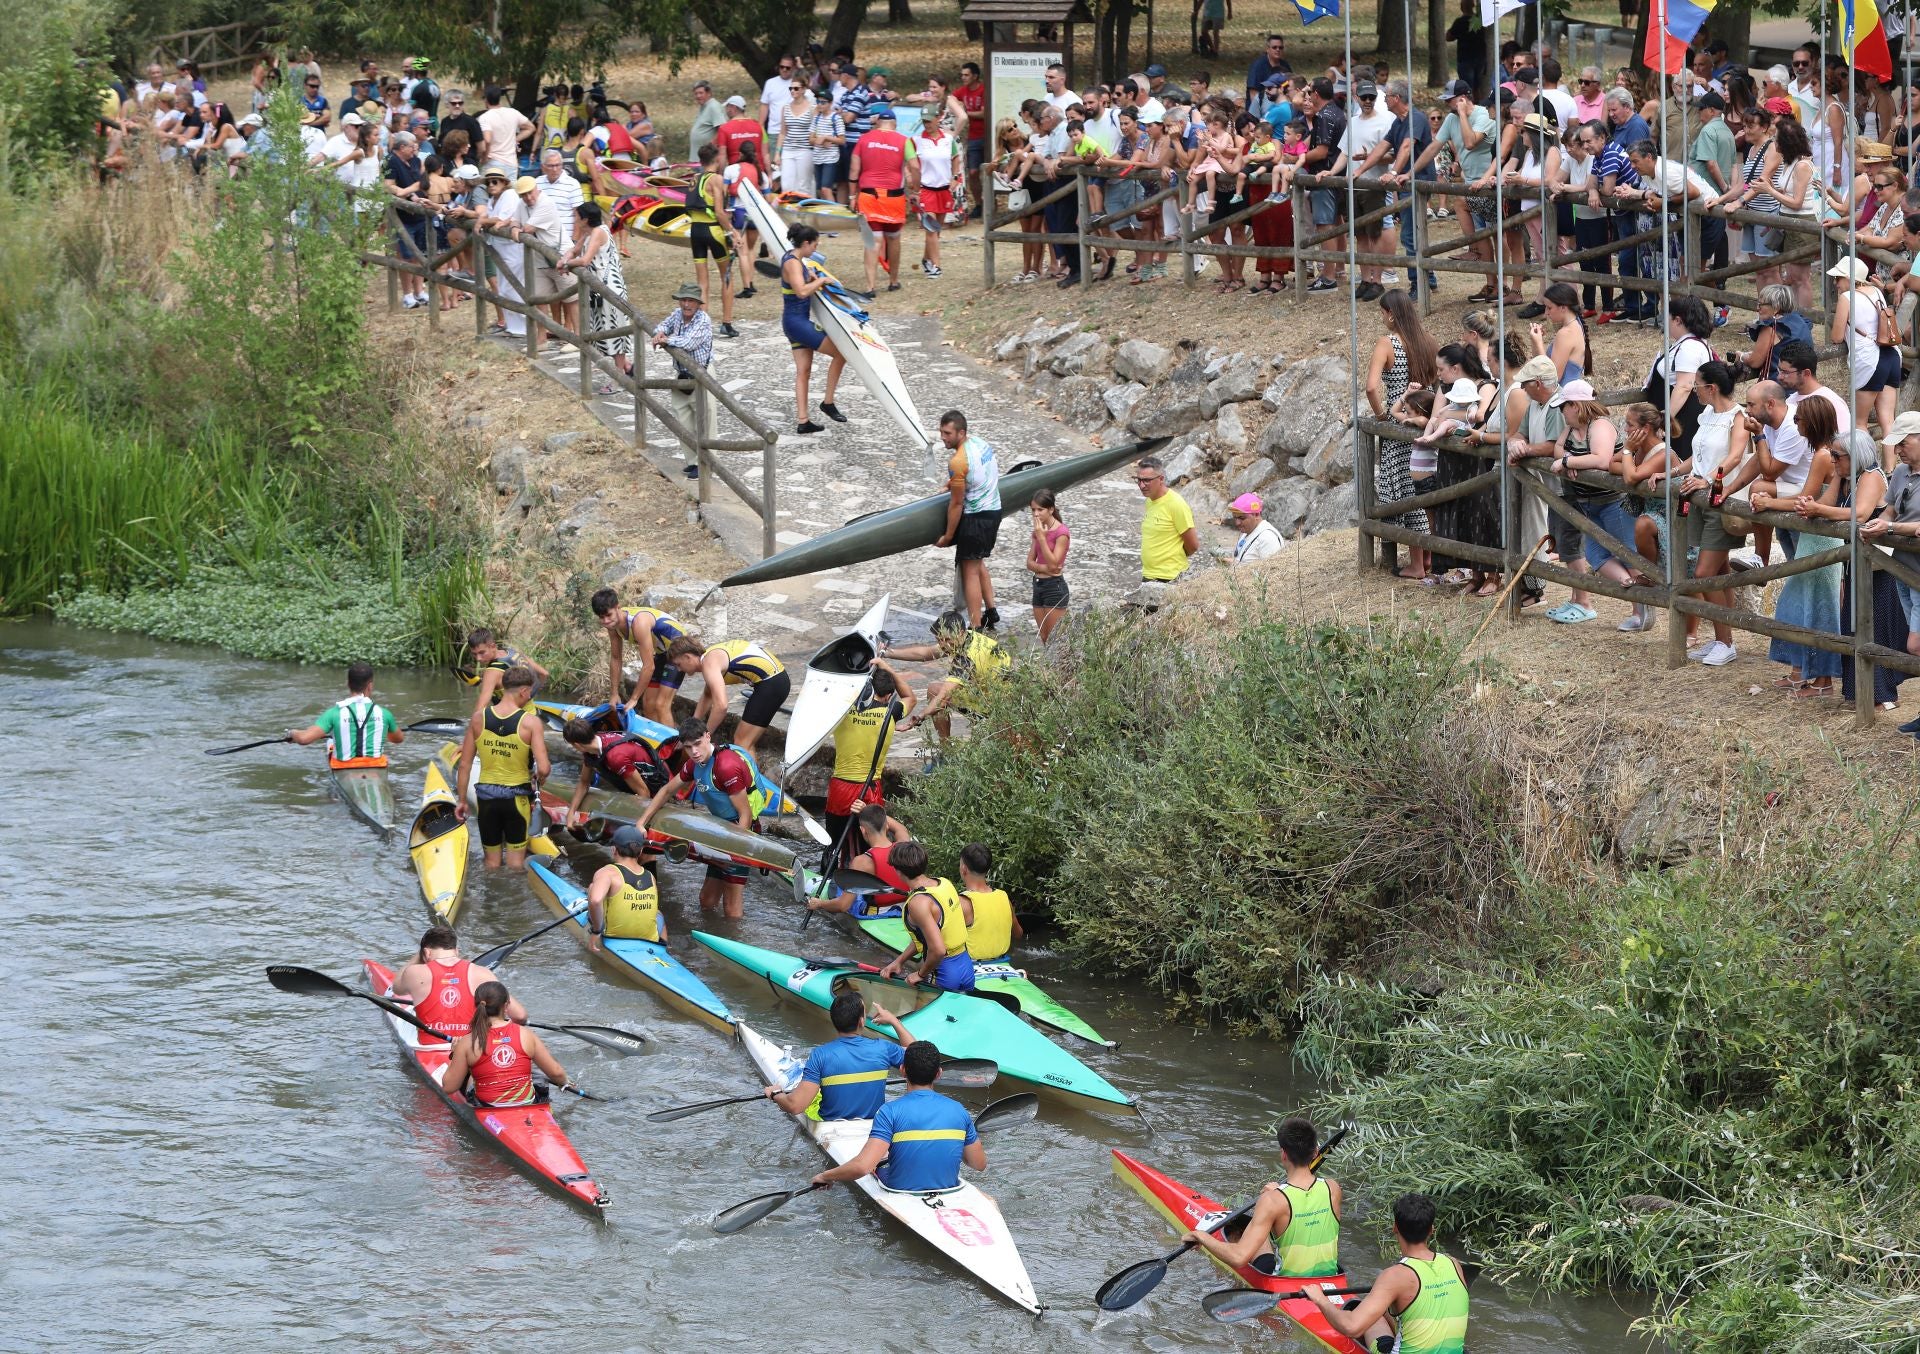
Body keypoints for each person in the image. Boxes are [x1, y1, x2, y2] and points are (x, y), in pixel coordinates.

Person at [635, 716, 773, 916]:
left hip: (741, 832)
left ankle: (734, 933)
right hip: (720, 830)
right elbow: (666, 791)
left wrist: (731, 852)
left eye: (698, 744)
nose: (694, 752)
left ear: (708, 736)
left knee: (731, 907)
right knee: (706, 900)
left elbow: (746, 815)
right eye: (688, 747)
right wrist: (641, 822)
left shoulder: (726, 766)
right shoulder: (694, 764)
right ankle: (712, 929)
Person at [810, 1040, 983, 1190]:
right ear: (938, 1074)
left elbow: (862, 1167)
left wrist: (826, 1176)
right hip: (949, 1188)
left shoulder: (889, 1112)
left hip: (899, 1188)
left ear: (902, 1070)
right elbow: (979, 1164)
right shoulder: (959, 1111)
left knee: (876, 1165)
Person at [1305, 1193, 1469, 1350]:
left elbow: (1351, 1327)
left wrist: (1320, 1299)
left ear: (1395, 1228)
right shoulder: (1453, 1263)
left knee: (1366, 1313)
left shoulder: (1395, 1276)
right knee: (1387, 1308)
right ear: (1431, 1229)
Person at [1186, 1116, 1345, 1278]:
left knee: (1254, 1229)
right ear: (1316, 1152)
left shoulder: (1272, 1201)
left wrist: (1200, 1236)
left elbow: (1239, 1258)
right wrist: (1280, 1192)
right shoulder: (1333, 1189)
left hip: (1287, 1284)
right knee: (1262, 1231)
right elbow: (1306, 1202)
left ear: (1283, 1154)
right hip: (1332, 1280)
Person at [454, 665, 550, 871]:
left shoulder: (478, 718)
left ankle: (490, 891)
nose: (529, 697)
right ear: (523, 691)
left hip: (486, 799)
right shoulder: (531, 723)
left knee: (491, 863)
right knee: (515, 865)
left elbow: (464, 764)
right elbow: (543, 768)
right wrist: (538, 779)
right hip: (516, 799)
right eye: (529, 693)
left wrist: (461, 800)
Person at [766, 990, 912, 1118]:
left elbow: (795, 1106)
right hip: (873, 1125)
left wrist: (776, 1094)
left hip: (830, 1127)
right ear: (861, 1021)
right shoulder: (884, 1048)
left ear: (834, 1021)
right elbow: (919, 1055)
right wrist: (894, 1021)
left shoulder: (819, 1055)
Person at [823, 660, 914, 848]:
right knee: (872, 846)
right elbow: (910, 697)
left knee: (834, 845)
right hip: (869, 790)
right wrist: (883, 664)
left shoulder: (844, 709)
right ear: (889, 696)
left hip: (840, 790)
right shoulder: (891, 711)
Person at [440, 980, 573, 1106]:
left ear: (476, 1006)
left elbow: (449, 1087)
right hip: (527, 1104)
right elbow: (556, 1073)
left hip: (488, 1106)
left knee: (470, 1074)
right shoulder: (526, 1035)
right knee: (537, 1075)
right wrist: (564, 1083)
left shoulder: (467, 1042)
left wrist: (455, 1053)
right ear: (506, 1005)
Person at [888, 610, 1010, 744]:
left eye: (946, 640)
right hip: (993, 694)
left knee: (938, 694)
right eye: (939, 640)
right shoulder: (967, 637)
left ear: (960, 633)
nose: (942, 645)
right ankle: (945, 748)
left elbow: (943, 698)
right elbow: (925, 653)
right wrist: (886, 652)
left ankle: (949, 749)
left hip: (998, 709)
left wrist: (918, 718)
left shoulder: (966, 658)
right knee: (934, 690)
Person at [389, 925, 523, 1039]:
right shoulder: (483, 973)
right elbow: (520, 1016)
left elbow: (396, 988)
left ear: (426, 953)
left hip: (430, 1048)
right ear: (456, 951)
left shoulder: (414, 973)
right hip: (471, 1049)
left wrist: (419, 955)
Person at [876, 840, 976, 992]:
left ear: (898, 871)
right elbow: (925, 939)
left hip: (945, 973)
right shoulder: (944, 883)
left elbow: (938, 950)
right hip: (966, 967)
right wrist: (899, 961)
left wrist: (920, 974)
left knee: (921, 1006)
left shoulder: (918, 903)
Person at [934, 409, 1003, 631]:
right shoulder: (980, 444)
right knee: (977, 561)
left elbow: (956, 504)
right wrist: (951, 482)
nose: (943, 438)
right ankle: (991, 611)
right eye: (941, 432)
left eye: (947, 433)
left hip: (975, 519)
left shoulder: (957, 461)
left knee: (969, 570)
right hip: (994, 511)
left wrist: (948, 536)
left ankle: (975, 626)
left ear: (961, 433)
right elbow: (973, 473)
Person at [778, 224, 848, 434]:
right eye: (815, 245)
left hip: (793, 322)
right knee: (841, 353)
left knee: (804, 371)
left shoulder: (793, 259)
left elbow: (800, 283)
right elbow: (801, 292)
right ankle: (828, 402)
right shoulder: (792, 263)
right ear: (806, 243)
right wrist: (821, 281)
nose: (816, 249)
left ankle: (803, 421)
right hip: (797, 323)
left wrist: (812, 278)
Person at [666, 635, 789, 753]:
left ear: (687, 657)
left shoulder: (709, 663)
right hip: (775, 680)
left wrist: (704, 737)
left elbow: (721, 706)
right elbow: (707, 696)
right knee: (744, 742)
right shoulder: (710, 657)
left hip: (772, 683)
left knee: (742, 742)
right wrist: (689, 732)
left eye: (678, 664)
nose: (679, 669)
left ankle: (749, 769)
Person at [590, 589, 688, 726]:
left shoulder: (638, 623)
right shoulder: (612, 625)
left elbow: (649, 666)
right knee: (648, 705)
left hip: (680, 650)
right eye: (601, 617)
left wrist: (634, 698)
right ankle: (660, 737)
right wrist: (614, 693)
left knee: (661, 705)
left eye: (608, 615)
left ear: (618, 607)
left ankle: (673, 740)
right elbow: (616, 658)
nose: (606, 621)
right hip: (662, 652)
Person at [1828, 257, 1901, 440]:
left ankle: (1865, 459)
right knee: (1888, 421)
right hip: (1892, 355)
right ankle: (1891, 460)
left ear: (1849, 278)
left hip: (1870, 361)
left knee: (1859, 424)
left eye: (1838, 278)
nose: (1835, 283)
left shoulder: (1846, 298)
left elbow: (1836, 337)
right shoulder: (1876, 291)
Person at [287, 660, 404, 768]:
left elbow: (303, 739)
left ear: (348, 684)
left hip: (343, 768)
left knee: (330, 743)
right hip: (375, 768)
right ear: (370, 686)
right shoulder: (384, 714)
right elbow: (398, 739)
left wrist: (292, 733)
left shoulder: (334, 713)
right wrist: (381, 730)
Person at [852, 105, 918, 292]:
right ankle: (893, 281)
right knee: (893, 238)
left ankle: (870, 287)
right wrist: (916, 189)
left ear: (878, 123)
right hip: (893, 198)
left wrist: (851, 194)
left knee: (873, 240)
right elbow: (915, 167)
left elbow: (854, 170)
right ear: (895, 124)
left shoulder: (864, 139)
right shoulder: (904, 141)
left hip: (869, 196)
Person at [815, 804, 913, 913]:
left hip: (879, 913)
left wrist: (819, 904)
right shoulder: (904, 846)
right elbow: (900, 828)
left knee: (835, 885)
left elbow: (843, 906)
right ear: (886, 825)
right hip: (907, 908)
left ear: (863, 830)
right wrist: (865, 809)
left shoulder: (861, 862)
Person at [687, 143, 739, 339]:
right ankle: (726, 323)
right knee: (727, 276)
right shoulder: (716, 179)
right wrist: (733, 232)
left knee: (702, 281)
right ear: (717, 159)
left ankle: (702, 326)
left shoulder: (694, 178)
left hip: (695, 230)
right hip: (712, 230)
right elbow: (719, 212)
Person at [585, 826, 665, 950]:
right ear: (640, 851)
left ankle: (598, 936)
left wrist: (596, 931)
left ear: (614, 849)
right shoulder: (650, 876)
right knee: (659, 914)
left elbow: (595, 900)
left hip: (614, 937)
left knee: (592, 888)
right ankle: (661, 949)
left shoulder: (607, 872)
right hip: (649, 939)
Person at [648, 279, 714, 419]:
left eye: (691, 301)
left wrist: (666, 340)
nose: (686, 304)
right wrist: (660, 333)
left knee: (705, 421)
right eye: (683, 300)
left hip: (702, 373)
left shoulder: (703, 320)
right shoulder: (678, 313)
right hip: (682, 373)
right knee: (680, 417)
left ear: (698, 303)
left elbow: (688, 342)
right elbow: (665, 325)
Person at [1135, 454, 1198, 596]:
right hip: (1149, 575)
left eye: (1147, 480)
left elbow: (1193, 545)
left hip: (1170, 578)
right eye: (1138, 480)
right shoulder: (1150, 501)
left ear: (1161, 479)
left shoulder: (1176, 504)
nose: (1141, 485)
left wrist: (1172, 557)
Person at [957, 843, 1023, 962]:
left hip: (970, 967)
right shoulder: (1004, 897)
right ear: (987, 869)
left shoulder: (962, 903)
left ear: (964, 869)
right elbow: (1018, 934)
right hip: (1002, 963)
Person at [463, 627, 548, 719]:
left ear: (493, 646)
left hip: (513, 721)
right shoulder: (513, 652)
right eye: (474, 654)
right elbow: (544, 674)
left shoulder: (492, 672)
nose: (478, 658)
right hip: (532, 715)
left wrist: (472, 725)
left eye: (482, 652)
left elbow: (480, 708)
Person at [1026, 488, 1071, 641]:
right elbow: (1030, 563)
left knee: (1053, 638)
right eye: (1033, 510)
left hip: (1054, 587)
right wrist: (1045, 568)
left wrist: (1042, 538)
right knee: (1044, 637)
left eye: (1040, 509)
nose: (1036, 514)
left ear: (1051, 509)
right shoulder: (1038, 531)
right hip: (1038, 584)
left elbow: (1054, 563)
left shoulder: (1061, 532)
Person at [476, 85, 532, 172]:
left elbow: (487, 140)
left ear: (486, 100)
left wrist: (484, 157)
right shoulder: (513, 112)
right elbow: (530, 128)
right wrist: (515, 139)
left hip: (493, 162)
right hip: (511, 163)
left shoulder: (484, 118)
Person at [1228, 492, 1284, 563]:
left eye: (1242, 518)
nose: (1237, 523)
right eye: (1235, 518)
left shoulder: (1268, 539)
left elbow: (1272, 568)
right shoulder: (1248, 531)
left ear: (1256, 515)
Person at [688, 81, 725, 162]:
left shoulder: (713, 107)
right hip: (699, 158)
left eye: (701, 93)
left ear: (709, 93)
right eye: (696, 93)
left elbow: (722, 129)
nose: (698, 96)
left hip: (707, 159)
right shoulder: (704, 106)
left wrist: (709, 147)